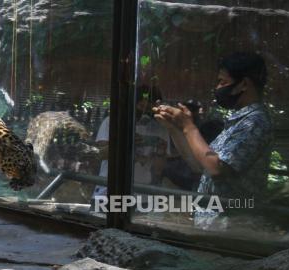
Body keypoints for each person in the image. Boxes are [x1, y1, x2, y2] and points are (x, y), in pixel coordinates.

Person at [153, 52, 273, 227]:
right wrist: (174, 128)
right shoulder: (237, 121)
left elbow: (216, 168)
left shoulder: (255, 122)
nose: (217, 88)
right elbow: (198, 164)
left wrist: (189, 126)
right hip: (213, 227)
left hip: (233, 229)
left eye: (222, 82)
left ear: (244, 84)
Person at [91, 85, 170, 200]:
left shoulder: (160, 128)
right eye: (141, 107)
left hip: (141, 194)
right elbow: (101, 154)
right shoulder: (113, 121)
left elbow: (158, 170)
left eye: (148, 109)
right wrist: (126, 142)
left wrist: (161, 151)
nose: (143, 113)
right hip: (108, 191)